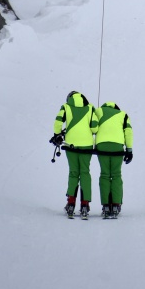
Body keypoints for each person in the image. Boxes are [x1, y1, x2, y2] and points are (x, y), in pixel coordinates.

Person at [52, 90, 98, 219]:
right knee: (85, 172)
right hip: (86, 145)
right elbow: (95, 128)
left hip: (70, 144)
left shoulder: (66, 107)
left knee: (73, 172)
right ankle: (85, 205)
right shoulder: (90, 108)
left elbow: (58, 122)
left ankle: (71, 203)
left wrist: (57, 134)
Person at [94, 100, 133, 219]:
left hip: (102, 145)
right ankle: (115, 204)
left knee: (105, 174)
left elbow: (93, 128)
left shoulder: (98, 111)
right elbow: (128, 132)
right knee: (116, 175)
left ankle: (106, 205)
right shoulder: (123, 114)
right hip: (117, 146)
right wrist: (129, 149)